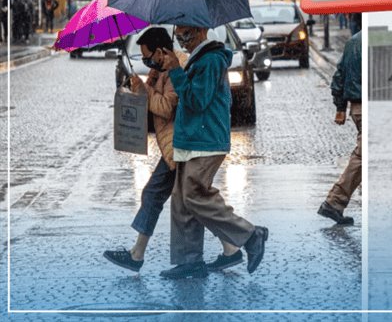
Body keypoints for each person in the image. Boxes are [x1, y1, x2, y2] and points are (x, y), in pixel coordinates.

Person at [159, 25, 268, 279]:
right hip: (191, 138)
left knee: (196, 195)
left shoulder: (210, 60)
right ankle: (190, 260)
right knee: (182, 199)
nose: (181, 41)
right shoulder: (199, 58)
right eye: (179, 36)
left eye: (185, 35)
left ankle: (250, 235)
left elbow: (197, 100)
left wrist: (175, 69)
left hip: (205, 139)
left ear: (199, 31)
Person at [103, 28, 180, 272]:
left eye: (147, 57)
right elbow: (149, 100)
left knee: (194, 203)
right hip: (172, 146)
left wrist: (145, 91)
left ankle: (238, 241)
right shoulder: (160, 71)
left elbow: (167, 107)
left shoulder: (176, 69)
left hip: (179, 146)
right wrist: (137, 89)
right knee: (163, 196)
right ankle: (137, 254)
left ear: (160, 51)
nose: (146, 62)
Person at [318, 15, 362, 225]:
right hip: (367, 105)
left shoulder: (354, 42)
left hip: (357, 107)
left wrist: (340, 107)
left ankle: (335, 203)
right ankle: (334, 203)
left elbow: (339, 77)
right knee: (362, 157)